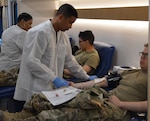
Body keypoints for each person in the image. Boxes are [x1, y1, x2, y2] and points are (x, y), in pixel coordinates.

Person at [0, 43, 147, 121]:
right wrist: (75, 86)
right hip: (100, 97)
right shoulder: (130, 71)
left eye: (147, 55)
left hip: (118, 109)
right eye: (142, 54)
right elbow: (103, 82)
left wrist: (121, 104)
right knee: (49, 98)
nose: (142, 57)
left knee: (66, 113)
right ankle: (17, 116)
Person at [13, 3, 97, 108]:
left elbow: (70, 60)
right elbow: (32, 61)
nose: (71, 26)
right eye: (70, 22)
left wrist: (86, 76)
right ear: (61, 17)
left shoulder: (63, 36)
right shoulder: (39, 32)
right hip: (32, 87)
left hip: (49, 89)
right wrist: (54, 78)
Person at [0, 13, 33, 86]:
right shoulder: (21, 33)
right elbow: (28, 50)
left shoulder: (8, 30)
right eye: (29, 24)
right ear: (22, 21)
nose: (30, 27)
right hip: (13, 68)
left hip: (4, 65)